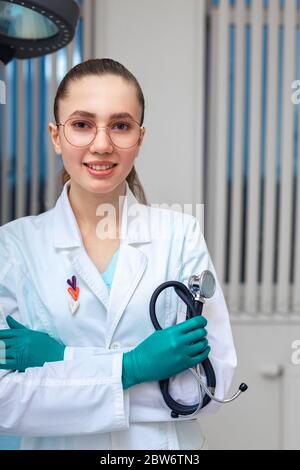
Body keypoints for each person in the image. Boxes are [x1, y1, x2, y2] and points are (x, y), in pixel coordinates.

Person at [0, 58, 237, 450]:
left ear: (139, 139)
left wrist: (63, 360)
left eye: (121, 125)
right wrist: (134, 367)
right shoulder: (13, 247)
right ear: (55, 136)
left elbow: (208, 388)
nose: (102, 144)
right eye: (81, 124)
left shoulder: (179, 235)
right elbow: (6, 401)